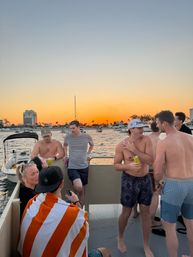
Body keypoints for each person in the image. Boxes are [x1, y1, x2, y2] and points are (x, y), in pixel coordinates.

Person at [18, 166, 111, 257]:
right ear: (62, 184)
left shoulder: (31, 202)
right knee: (105, 252)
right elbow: (84, 226)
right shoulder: (72, 214)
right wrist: (76, 201)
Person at [154, 110, 193, 257]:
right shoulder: (191, 138)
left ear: (164, 123)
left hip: (174, 186)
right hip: (191, 184)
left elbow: (157, 170)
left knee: (169, 227)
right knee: (190, 223)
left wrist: (158, 183)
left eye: (158, 123)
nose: (157, 126)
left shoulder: (164, 143)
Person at [114, 118, 154, 257]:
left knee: (145, 212)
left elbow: (150, 160)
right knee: (126, 212)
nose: (141, 129)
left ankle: (146, 245)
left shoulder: (147, 140)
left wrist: (134, 150)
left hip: (145, 179)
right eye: (138, 128)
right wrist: (127, 166)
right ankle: (120, 237)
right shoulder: (121, 145)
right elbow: (116, 165)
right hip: (129, 180)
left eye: (142, 127)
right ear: (131, 129)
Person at [64, 120, 94, 207]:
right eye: (70, 128)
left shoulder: (87, 136)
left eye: (73, 128)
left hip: (84, 166)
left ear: (78, 127)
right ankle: (75, 203)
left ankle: (80, 211)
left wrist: (88, 153)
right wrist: (65, 155)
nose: (72, 130)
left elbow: (92, 145)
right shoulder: (68, 137)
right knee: (79, 187)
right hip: (72, 167)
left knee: (83, 190)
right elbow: (65, 145)